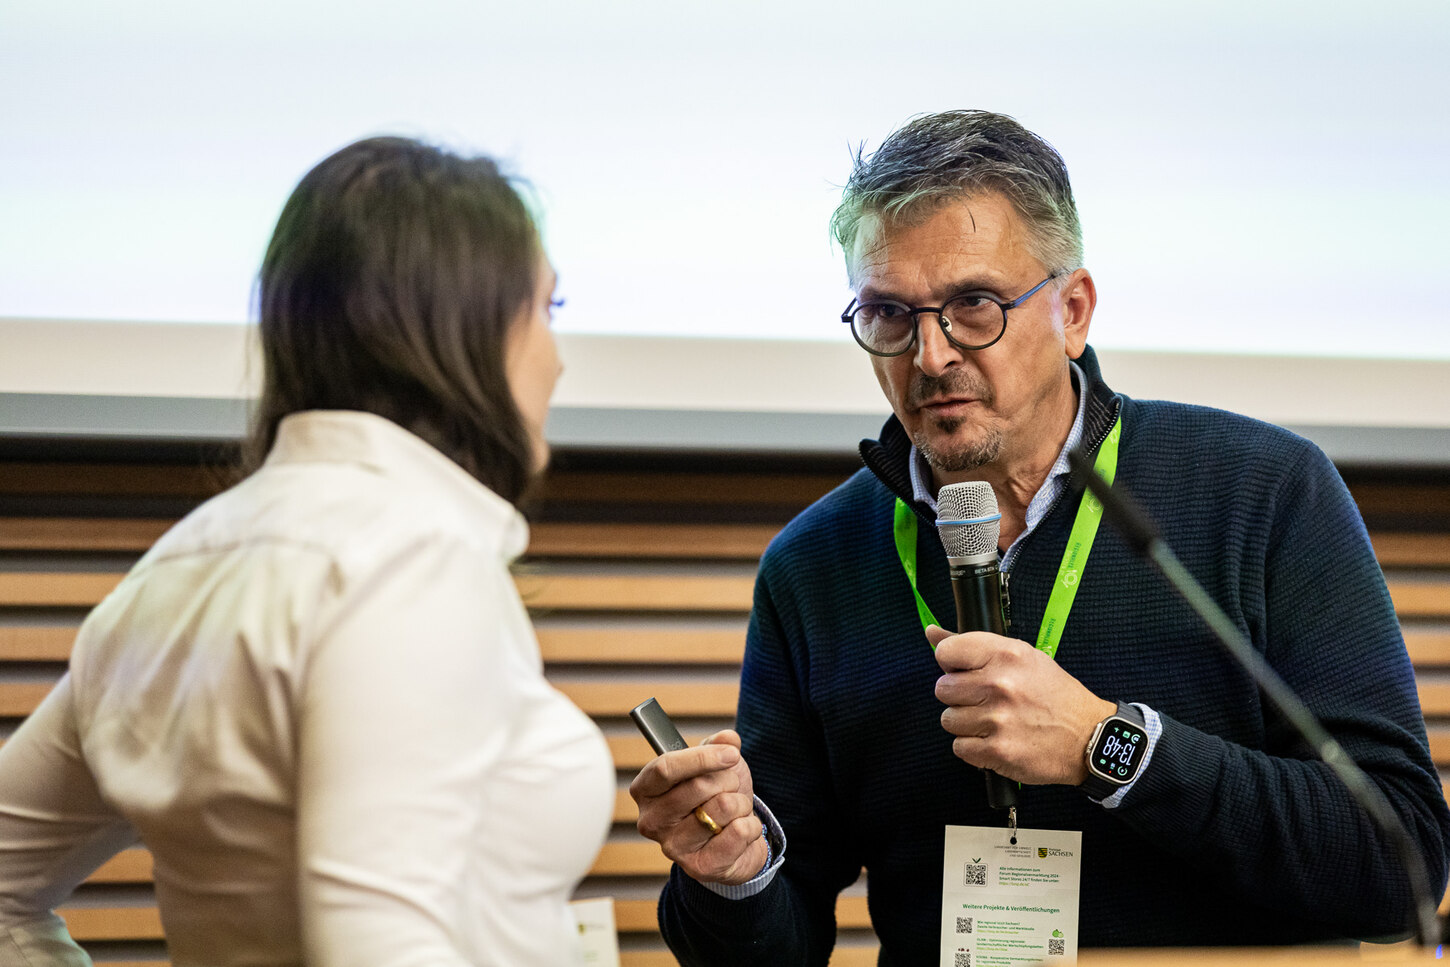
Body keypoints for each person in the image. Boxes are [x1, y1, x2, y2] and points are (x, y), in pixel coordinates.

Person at [629, 110, 1450, 962]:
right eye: (888, 314)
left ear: (1073, 310)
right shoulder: (814, 567)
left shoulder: (1263, 490)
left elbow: (1401, 862)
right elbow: (778, 941)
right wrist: (733, 879)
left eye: (974, 306)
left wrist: (1108, 745)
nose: (931, 355)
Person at [0, 137, 613, 965]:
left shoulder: (167, 576)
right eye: (548, 309)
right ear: (460, 325)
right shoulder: (409, 558)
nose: (559, 357)